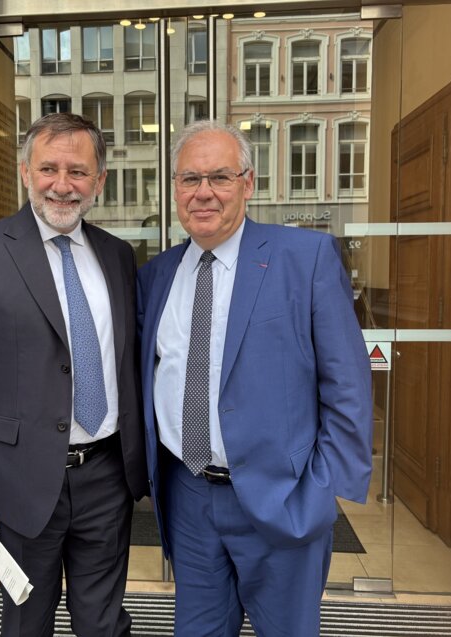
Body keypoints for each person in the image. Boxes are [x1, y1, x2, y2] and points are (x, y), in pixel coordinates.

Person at [137, 120, 373, 636]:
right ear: (174, 188)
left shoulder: (305, 258)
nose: (203, 192)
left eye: (219, 177)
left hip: (284, 499)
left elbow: (348, 387)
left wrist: (321, 491)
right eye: (189, 178)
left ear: (248, 183)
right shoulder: (156, 276)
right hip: (189, 498)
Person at [0, 112, 148, 637]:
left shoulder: (118, 255)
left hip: (106, 478)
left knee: (104, 624)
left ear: (100, 180)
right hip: (18, 485)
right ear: (26, 172)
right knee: (27, 624)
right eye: (48, 168)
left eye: (78, 171)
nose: (62, 184)